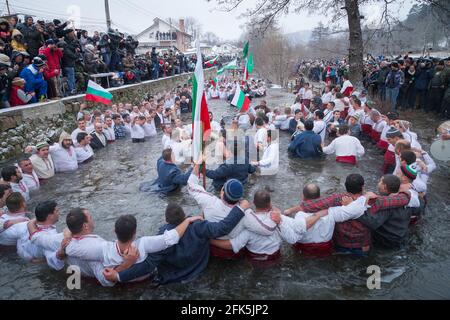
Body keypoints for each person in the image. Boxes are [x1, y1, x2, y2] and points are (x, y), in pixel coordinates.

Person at [103, 202, 248, 285]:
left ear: (166, 220)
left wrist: (118, 276)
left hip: (174, 278)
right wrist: (241, 207)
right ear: (184, 215)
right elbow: (223, 227)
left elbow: (147, 266)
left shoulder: (162, 236)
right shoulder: (199, 226)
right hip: (199, 271)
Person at [272, 185, 370, 256]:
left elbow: (294, 235)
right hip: (325, 250)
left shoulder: (300, 215)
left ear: (303, 197)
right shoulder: (331, 212)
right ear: (319, 197)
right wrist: (365, 197)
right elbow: (353, 211)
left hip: (304, 251)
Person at [16, 201, 65, 270]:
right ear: (50, 216)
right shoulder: (50, 237)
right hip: (36, 267)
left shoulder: (27, 225)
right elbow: (54, 262)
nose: (59, 213)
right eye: (56, 211)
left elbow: (20, 241)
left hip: (24, 254)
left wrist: (29, 258)